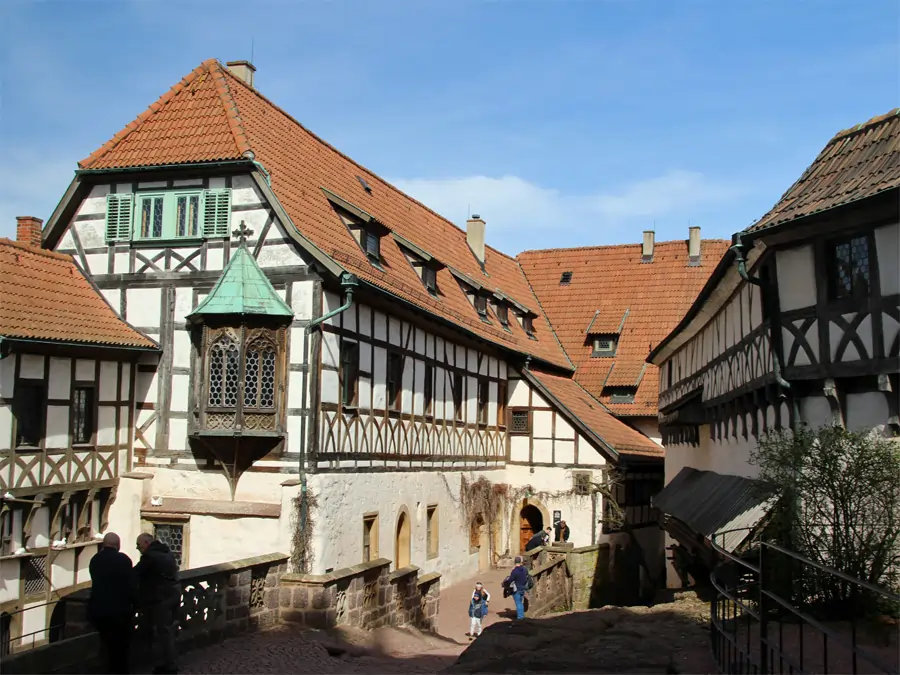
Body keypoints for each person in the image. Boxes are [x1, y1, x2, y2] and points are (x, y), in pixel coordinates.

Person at [89, 532, 137, 674]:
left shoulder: (95, 560)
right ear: (118, 545)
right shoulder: (123, 560)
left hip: (99, 610)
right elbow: (130, 585)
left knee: (105, 646)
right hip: (120, 611)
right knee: (120, 648)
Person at [135, 533, 181, 675]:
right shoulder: (167, 552)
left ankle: (169, 666)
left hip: (161, 598)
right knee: (168, 631)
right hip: (173, 595)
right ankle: (168, 663)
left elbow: (135, 573)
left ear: (147, 542)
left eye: (139, 545)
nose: (138, 548)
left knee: (164, 633)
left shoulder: (150, 557)